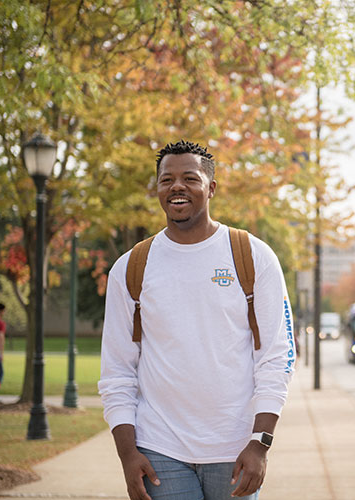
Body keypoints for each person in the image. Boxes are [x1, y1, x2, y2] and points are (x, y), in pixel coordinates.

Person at [98, 140, 296, 500]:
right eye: (166, 179)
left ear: (211, 188)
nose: (177, 186)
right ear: (157, 189)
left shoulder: (252, 256)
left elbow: (277, 357)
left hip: (235, 449)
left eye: (190, 178)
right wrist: (127, 453)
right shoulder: (130, 268)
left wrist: (260, 443)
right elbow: (117, 371)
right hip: (160, 448)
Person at [0, 303, 6, 401]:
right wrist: (1, 353)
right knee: (0, 373)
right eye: (4, 311)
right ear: (0, 311)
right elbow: (0, 338)